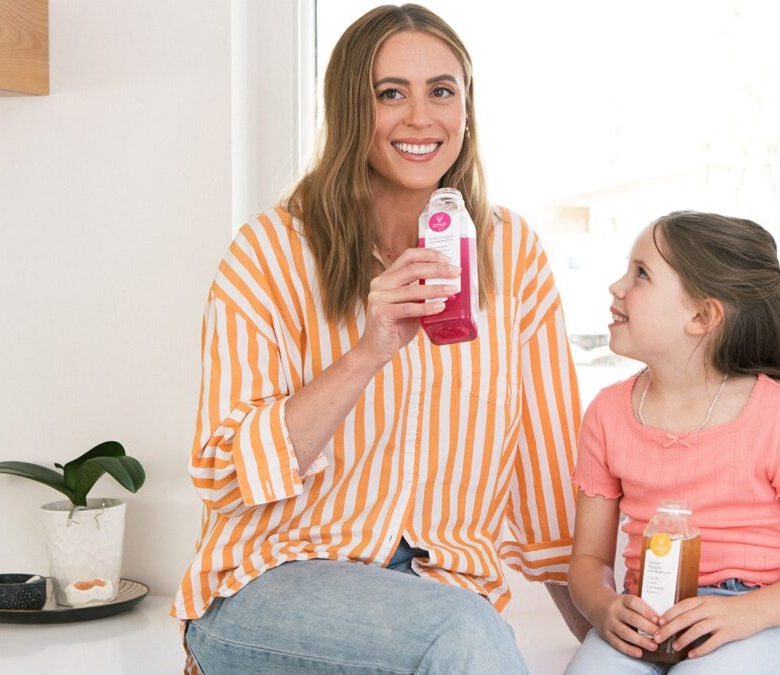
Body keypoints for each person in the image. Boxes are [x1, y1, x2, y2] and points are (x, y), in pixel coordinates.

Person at [172, 4, 589, 673]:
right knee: (460, 633)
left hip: (442, 590)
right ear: (349, 110)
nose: (421, 118)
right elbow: (226, 473)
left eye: (441, 91)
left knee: (464, 627)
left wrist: (607, 638)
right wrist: (368, 352)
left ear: (467, 110)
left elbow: (546, 466)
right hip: (270, 583)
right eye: (390, 93)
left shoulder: (511, 255)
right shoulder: (268, 254)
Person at [565, 211, 780, 674]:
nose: (616, 286)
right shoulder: (607, 413)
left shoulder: (776, 414)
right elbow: (588, 559)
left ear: (702, 315)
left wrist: (743, 615)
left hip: (756, 617)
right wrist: (605, 608)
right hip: (650, 613)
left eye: (641, 273)